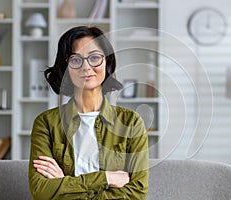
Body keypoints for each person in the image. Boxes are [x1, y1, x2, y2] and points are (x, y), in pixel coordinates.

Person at [28, 26, 149, 200]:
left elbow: (137, 192)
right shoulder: (46, 123)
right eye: (76, 60)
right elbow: (40, 191)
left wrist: (66, 183)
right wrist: (107, 178)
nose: (86, 67)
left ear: (107, 61)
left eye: (94, 58)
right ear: (66, 68)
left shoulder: (131, 123)